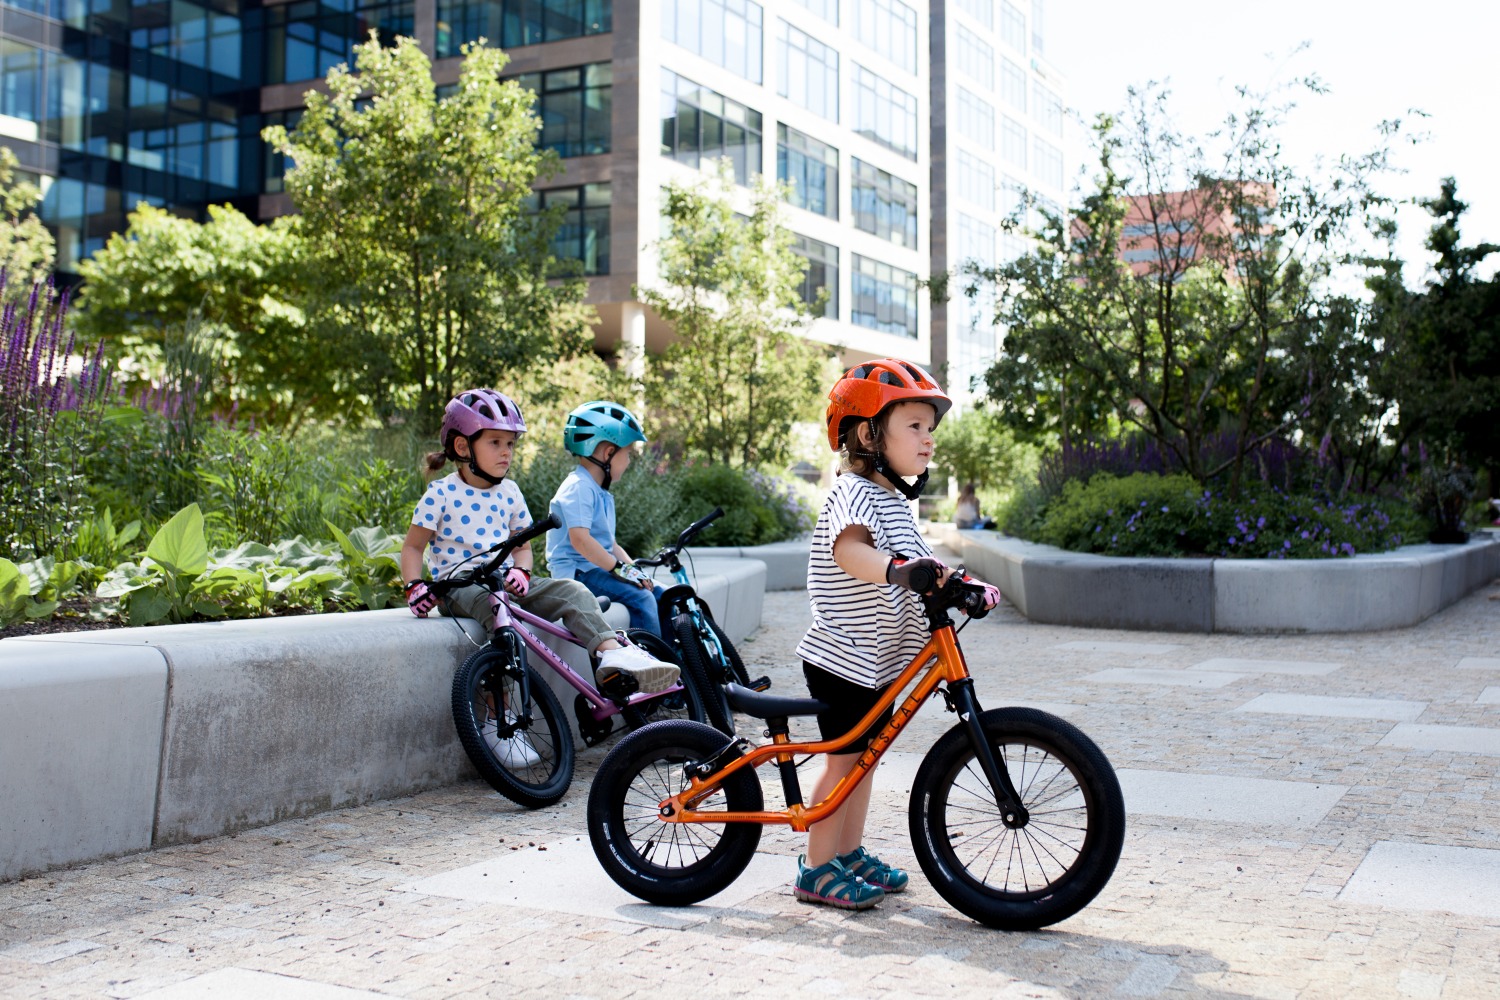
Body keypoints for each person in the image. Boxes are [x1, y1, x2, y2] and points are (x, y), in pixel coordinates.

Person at [793, 358, 1002, 910]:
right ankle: (815, 868)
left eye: (930, 429)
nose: (927, 440)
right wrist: (892, 570)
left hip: (878, 661)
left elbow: (924, 561)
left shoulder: (893, 501)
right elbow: (850, 551)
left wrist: (963, 584)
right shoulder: (853, 493)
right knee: (844, 761)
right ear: (867, 434)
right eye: (914, 426)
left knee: (866, 762)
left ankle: (847, 852)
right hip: (844, 657)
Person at [400, 389, 678, 708]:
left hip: (502, 580)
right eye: (495, 442)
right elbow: (412, 547)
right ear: (463, 446)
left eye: (511, 444)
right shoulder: (441, 494)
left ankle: (614, 656)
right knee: (497, 609)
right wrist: (414, 586)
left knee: (572, 591)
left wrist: (522, 569)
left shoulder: (510, 492)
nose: (507, 452)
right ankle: (498, 717)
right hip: (459, 586)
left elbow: (523, 547)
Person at [545, 400, 668, 648]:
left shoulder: (599, 491)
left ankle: (676, 661)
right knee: (642, 599)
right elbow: (581, 541)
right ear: (608, 453)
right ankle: (651, 665)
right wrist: (620, 570)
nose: (630, 461)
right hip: (578, 573)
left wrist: (635, 570)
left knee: (661, 594)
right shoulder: (578, 487)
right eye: (628, 454)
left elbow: (609, 544)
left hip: (596, 569)